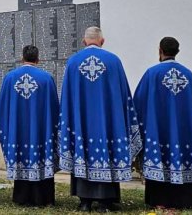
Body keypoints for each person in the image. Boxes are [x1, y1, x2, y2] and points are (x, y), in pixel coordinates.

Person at [58, 27, 142, 213]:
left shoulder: (73, 62)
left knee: (83, 152)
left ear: (83, 41)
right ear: (102, 41)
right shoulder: (114, 61)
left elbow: (67, 98)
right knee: (108, 152)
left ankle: (84, 201)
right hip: (108, 123)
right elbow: (123, 95)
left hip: (82, 124)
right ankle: (106, 201)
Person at [133, 37, 192, 209]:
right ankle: (187, 200)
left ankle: (160, 201)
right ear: (177, 51)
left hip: (159, 131)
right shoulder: (189, 74)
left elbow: (138, 104)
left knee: (160, 158)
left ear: (160, 50)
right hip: (185, 133)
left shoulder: (152, 73)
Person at [0, 45, 59, 206]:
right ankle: (43, 199)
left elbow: (2, 108)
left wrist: (7, 128)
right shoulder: (46, 78)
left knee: (21, 156)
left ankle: (22, 198)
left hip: (18, 131)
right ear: (38, 59)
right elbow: (54, 108)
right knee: (41, 157)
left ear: (22, 58)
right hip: (41, 131)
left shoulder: (10, 78)